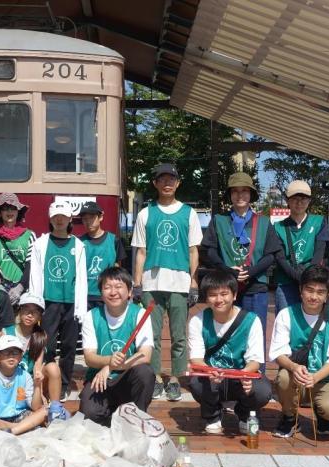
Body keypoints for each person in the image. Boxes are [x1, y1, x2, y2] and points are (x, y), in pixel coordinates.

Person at [132, 163, 202, 401]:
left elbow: (193, 251)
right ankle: (154, 377)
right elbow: (140, 252)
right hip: (151, 283)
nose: (167, 183)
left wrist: (193, 282)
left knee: (178, 334)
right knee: (151, 335)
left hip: (180, 282)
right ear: (155, 183)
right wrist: (137, 283)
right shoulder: (145, 213)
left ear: (178, 183)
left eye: (171, 178)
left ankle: (174, 378)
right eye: (162, 179)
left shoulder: (189, 214)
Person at [201, 172, 279, 370]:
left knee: (255, 333)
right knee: (226, 332)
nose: (240, 195)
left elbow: (271, 254)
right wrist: (227, 270)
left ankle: (255, 377)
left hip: (255, 287)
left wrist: (251, 271)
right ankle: (229, 375)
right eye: (235, 191)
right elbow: (209, 250)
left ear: (251, 194)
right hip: (226, 287)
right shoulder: (219, 220)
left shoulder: (263, 222)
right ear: (230, 195)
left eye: (244, 190)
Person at [187, 269, 272, 435]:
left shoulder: (251, 320)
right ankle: (213, 416)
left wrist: (243, 375)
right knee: (197, 383)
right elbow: (196, 359)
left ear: (234, 295)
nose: (219, 300)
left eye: (224, 294)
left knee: (261, 390)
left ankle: (245, 414)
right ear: (206, 298)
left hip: (240, 375)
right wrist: (210, 371)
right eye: (212, 295)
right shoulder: (198, 320)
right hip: (213, 376)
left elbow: (255, 361)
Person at [269, 265, 329, 438]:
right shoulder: (286, 314)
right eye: (309, 290)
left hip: (325, 379)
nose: (314, 296)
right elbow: (277, 352)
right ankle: (290, 418)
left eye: (320, 292)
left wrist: (315, 377)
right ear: (300, 290)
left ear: (327, 294)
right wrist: (293, 367)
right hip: (295, 377)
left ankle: (323, 417)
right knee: (283, 377)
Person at [79, 267, 155, 426]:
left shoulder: (140, 314)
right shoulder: (91, 316)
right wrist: (109, 361)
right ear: (101, 293)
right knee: (89, 415)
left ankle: (137, 418)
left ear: (129, 292)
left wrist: (112, 367)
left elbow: (145, 355)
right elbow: (89, 358)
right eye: (107, 287)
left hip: (126, 379)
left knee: (145, 373)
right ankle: (112, 415)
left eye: (118, 287)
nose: (113, 292)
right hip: (100, 380)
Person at [28, 201, 87, 401]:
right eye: (55, 216)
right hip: (48, 302)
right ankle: (47, 380)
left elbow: (81, 278)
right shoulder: (40, 243)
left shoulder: (78, 245)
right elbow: (35, 275)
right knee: (48, 345)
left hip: (71, 303)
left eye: (63, 216)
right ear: (50, 218)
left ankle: (63, 383)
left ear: (70, 219)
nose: (59, 220)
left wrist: (81, 306)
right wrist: (36, 304)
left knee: (70, 346)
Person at [2, 292, 67, 421]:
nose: (30, 315)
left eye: (35, 311)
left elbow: (38, 366)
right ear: (19, 310)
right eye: (26, 309)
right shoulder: (6, 332)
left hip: (30, 379)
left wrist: (39, 389)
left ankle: (55, 408)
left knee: (53, 367)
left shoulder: (40, 335)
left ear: (40, 315)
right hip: (11, 378)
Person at [272, 180, 329, 314]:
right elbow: (280, 258)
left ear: (309, 200)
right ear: (287, 200)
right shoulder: (278, 227)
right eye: (294, 198)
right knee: (285, 321)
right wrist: (297, 276)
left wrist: (307, 277)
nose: (299, 203)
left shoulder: (319, 222)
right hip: (286, 283)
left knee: (312, 322)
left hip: (312, 283)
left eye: (303, 198)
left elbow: (319, 252)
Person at [0, 335, 47, 435]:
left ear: (21, 356)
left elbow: (36, 407)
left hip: (20, 415)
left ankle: (13, 431)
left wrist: (37, 385)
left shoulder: (25, 376)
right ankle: (20, 428)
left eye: (15, 352)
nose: (11, 356)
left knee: (45, 410)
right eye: (6, 352)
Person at [0, 192, 34, 306]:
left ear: (18, 211)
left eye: (13, 208)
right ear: (0, 212)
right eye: (5, 208)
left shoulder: (30, 236)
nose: (9, 212)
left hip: (24, 294)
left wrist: (19, 289)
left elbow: (32, 265)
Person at [79, 201, 127, 309]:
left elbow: (119, 269)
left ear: (100, 217)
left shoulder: (114, 240)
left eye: (91, 217)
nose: (88, 222)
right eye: (84, 219)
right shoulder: (79, 242)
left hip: (108, 295)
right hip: (84, 296)